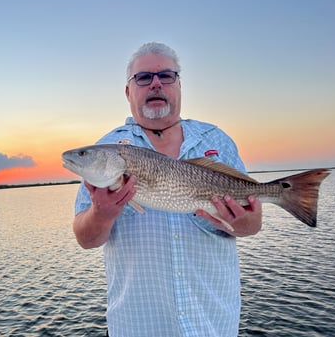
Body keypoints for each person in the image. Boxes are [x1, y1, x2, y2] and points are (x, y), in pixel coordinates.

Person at [72, 42, 262, 337]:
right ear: (128, 92)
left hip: (214, 322)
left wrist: (245, 222)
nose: (156, 83)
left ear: (179, 85)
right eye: (144, 77)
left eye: (166, 76)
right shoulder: (107, 150)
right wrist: (101, 213)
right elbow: (86, 238)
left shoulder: (217, 140)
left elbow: (252, 224)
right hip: (139, 325)